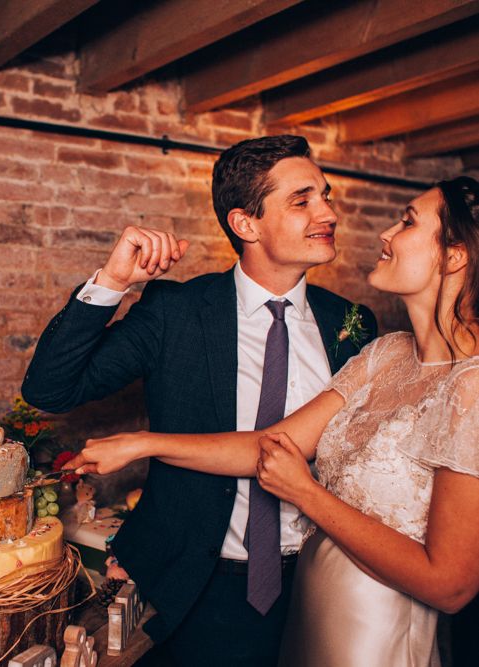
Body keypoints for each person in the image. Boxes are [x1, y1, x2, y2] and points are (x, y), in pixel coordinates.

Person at [66, 176, 479, 666]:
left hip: (377, 630)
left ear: (454, 257)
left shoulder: (469, 384)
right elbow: (270, 443)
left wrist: (305, 492)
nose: (385, 233)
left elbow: (450, 585)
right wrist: (143, 443)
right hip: (308, 610)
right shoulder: (385, 353)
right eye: (302, 199)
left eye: (407, 221)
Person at [22, 135, 377, 666]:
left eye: (325, 195)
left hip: (324, 580)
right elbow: (49, 390)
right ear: (246, 224)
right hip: (200, 584)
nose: (328, 212)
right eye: (302, 200)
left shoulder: (350, 324)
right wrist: (115, 280)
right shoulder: (176, 312)